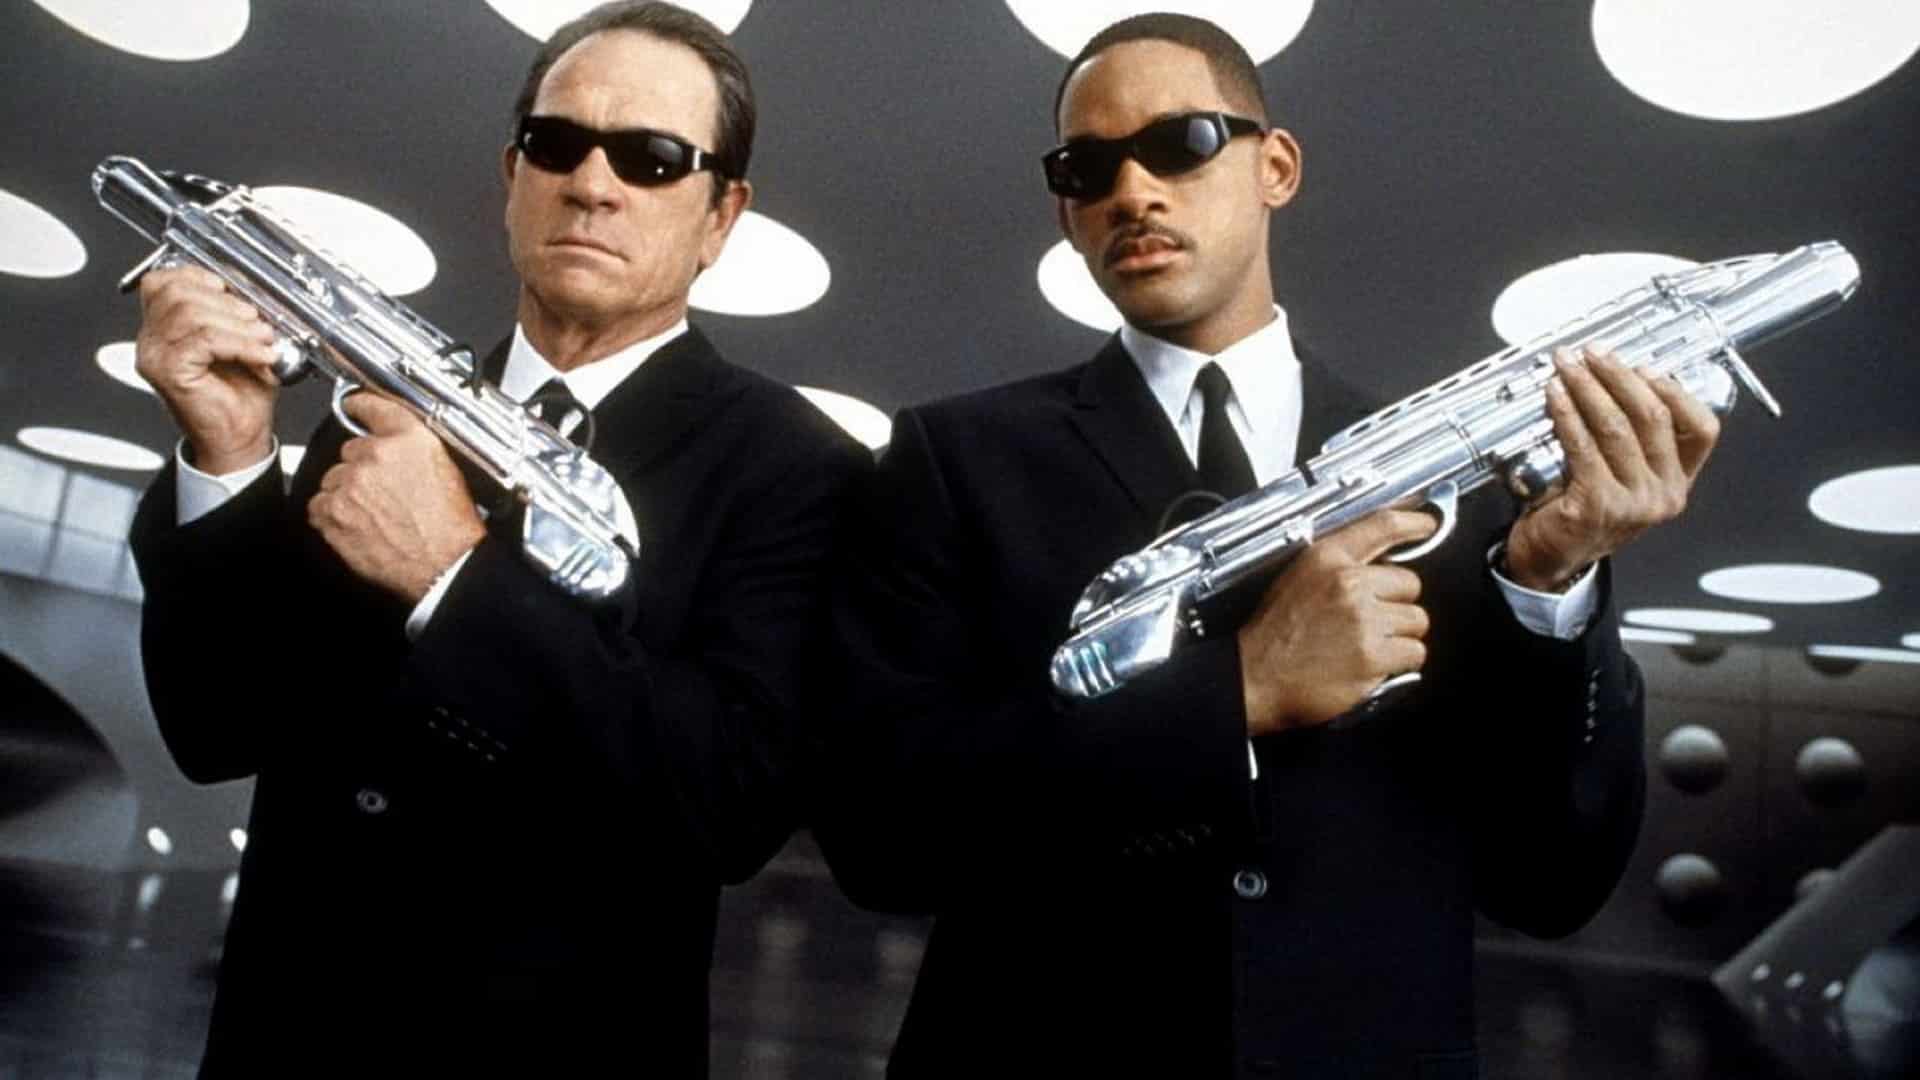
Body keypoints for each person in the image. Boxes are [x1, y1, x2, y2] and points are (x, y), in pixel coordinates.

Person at [813, 13, 1721, 1077]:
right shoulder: (953, 458)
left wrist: (1551, 587)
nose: (1132, 191)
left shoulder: (1469, 486)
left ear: (1275, 166)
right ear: (1066, 210)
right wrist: (1234, 692)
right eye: (1086, 167)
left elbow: (1553, 884)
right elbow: (882, 839)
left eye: (1181, 143)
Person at [127, 2, 863, 1073]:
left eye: (654, 159)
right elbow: (218, 726)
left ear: (722, 215)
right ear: (512, 176)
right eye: (558, 143)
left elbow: (729, 806)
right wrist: (231, 454)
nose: (593, 184)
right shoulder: (375, 412)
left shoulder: (798, 468)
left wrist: (454, 576)